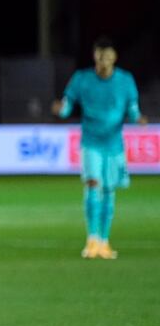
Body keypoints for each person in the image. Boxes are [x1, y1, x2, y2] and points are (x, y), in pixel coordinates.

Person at [52, 37, 147, 259]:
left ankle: (104, 241)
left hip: (114, 145)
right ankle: (92, 239)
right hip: (91, 143)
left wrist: (138, 118)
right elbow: (67, 107)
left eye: (108, 56)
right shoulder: (82, 79)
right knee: (93, 184)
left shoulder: (125, 80)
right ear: (95, 56)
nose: (104, 60)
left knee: (109, 190)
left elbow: (133, 110)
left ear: (114, 57)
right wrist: (61, 109)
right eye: (100, 56)